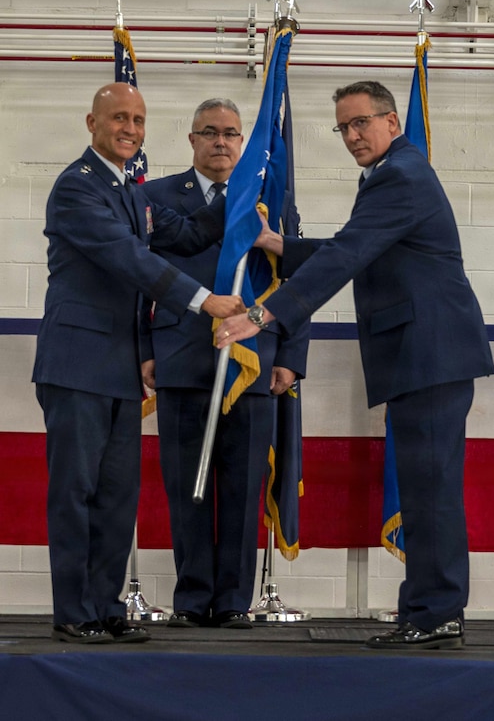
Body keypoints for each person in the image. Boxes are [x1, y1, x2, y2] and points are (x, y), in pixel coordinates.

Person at [216, 80, 494, 649]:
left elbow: (349, 254)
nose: (351, 136)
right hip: (424, 354)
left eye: (361, 122)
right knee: (424, 486)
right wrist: (280, 246)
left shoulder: (400, 176)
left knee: (430, 488)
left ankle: (437, 613)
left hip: (429, 353)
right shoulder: (393, 174)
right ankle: (427, 608)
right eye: (343, 127)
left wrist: (264, 315)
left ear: (392, 122)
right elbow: (357, 247)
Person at [32, 82, 245, 645]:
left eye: (139, 120)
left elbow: (190, 232)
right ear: (92, 123)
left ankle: (105, 608)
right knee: (75, 493)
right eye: (119, 118)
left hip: (120, 370)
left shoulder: (131, 191)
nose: (130, 129)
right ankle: (74, 611)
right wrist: (204, 300)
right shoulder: (76, 188)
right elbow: (130, 260)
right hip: (76, 364)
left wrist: (242, 192)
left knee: (117, 496)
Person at [140, 98, 309, 629]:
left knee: (243, 486)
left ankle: (234, 599)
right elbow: (136, 279)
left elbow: (299, 281)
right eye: (209, 132)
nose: (220, 141)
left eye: (231, 133)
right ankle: (192, 599)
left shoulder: (270, 201)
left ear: (243, 142)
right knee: (185, 487)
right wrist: (144, 350)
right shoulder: (154, 196)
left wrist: (291, 357)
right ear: (192, 139)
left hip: (255, 363)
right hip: (181, 357)